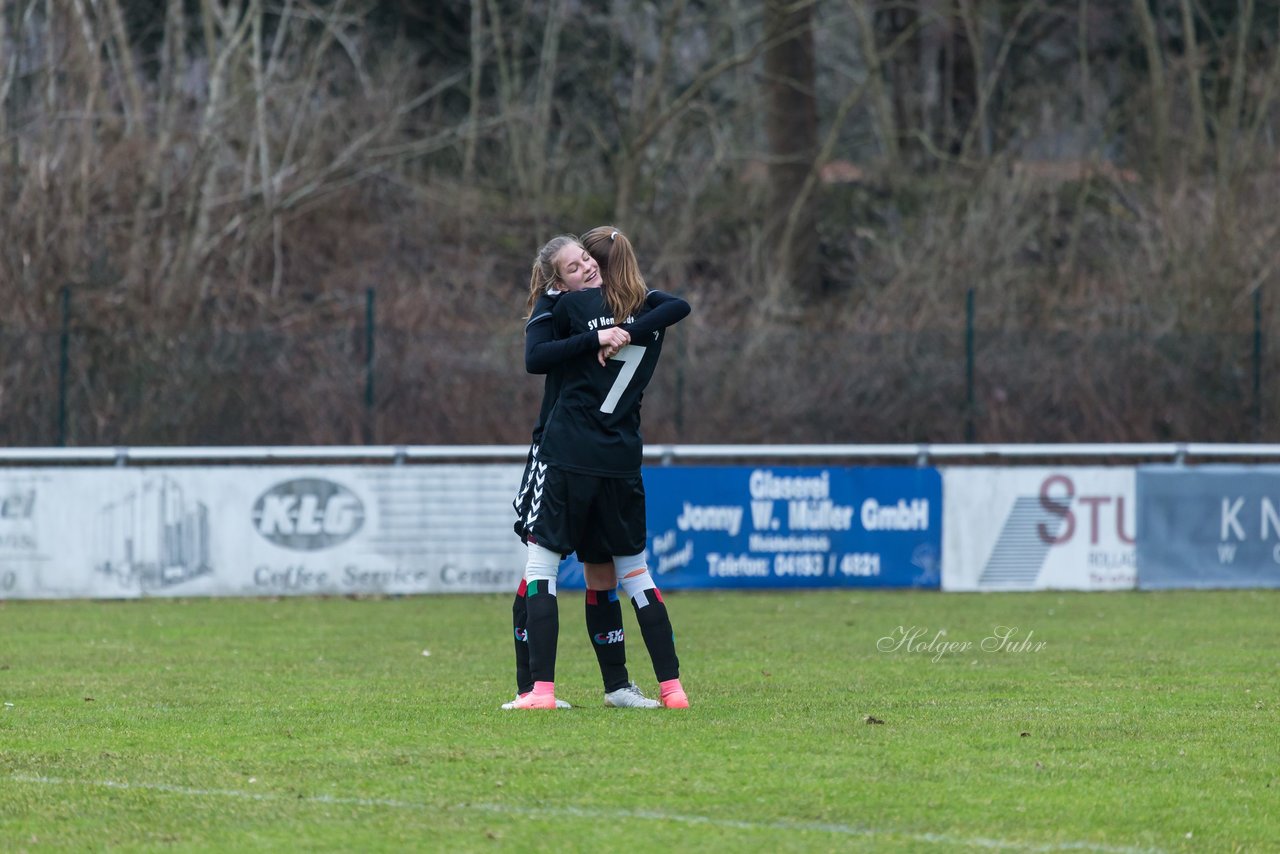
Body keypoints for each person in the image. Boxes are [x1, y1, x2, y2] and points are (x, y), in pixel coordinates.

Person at [510, 226, 691, 710]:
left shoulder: (566, 309)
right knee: (622, 574)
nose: (586, 268)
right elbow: (679, 305)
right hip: (619, 458)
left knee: (540, 569)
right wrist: (620, 330)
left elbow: (536, 356)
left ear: (601, 265)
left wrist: (568, 312)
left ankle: (537, 690)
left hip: (566, 453)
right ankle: (665, 688)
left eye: (588, 261)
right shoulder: (650, 313)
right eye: (574, 266)